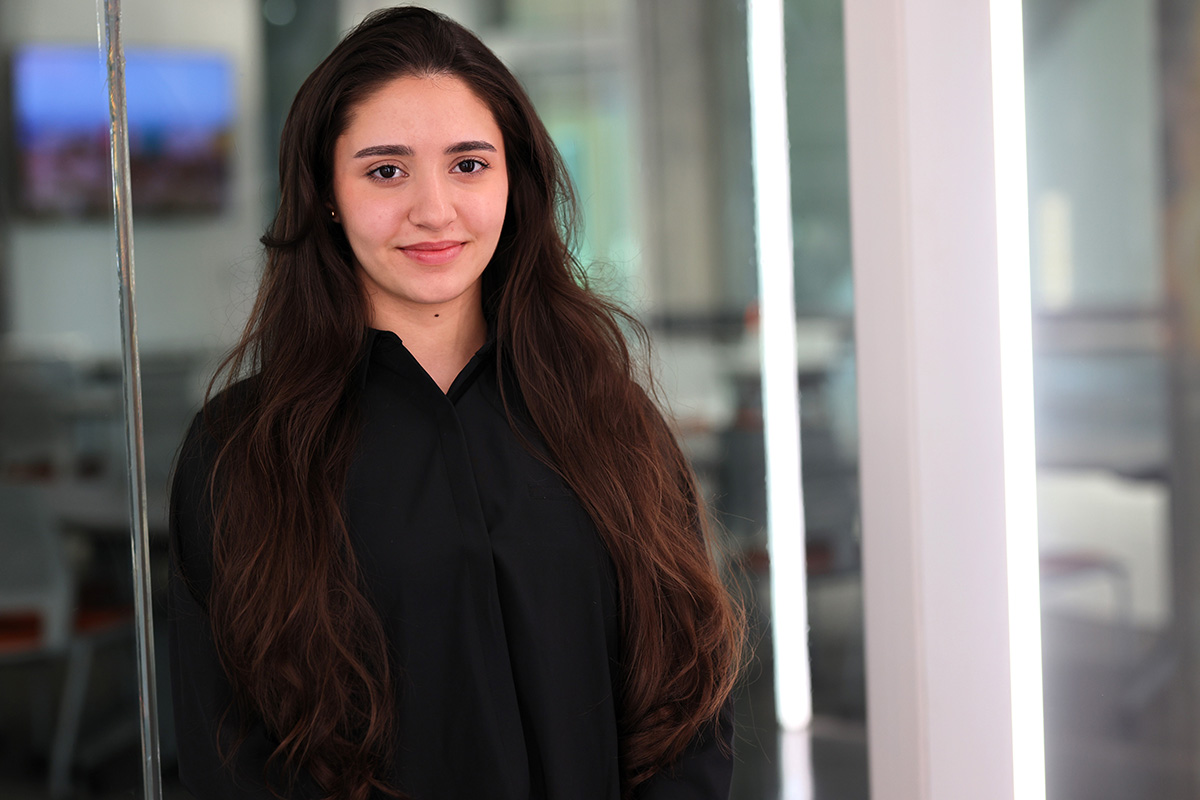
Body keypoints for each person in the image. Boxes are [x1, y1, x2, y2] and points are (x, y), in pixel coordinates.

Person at [169, 7, 743, 800]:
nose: (434, 210)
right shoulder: (242, 452)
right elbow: (232, 760)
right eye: (386, 170)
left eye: (469, 165)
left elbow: (685, 703)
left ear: (515, 180)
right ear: (326, 194)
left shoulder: (610, 422)